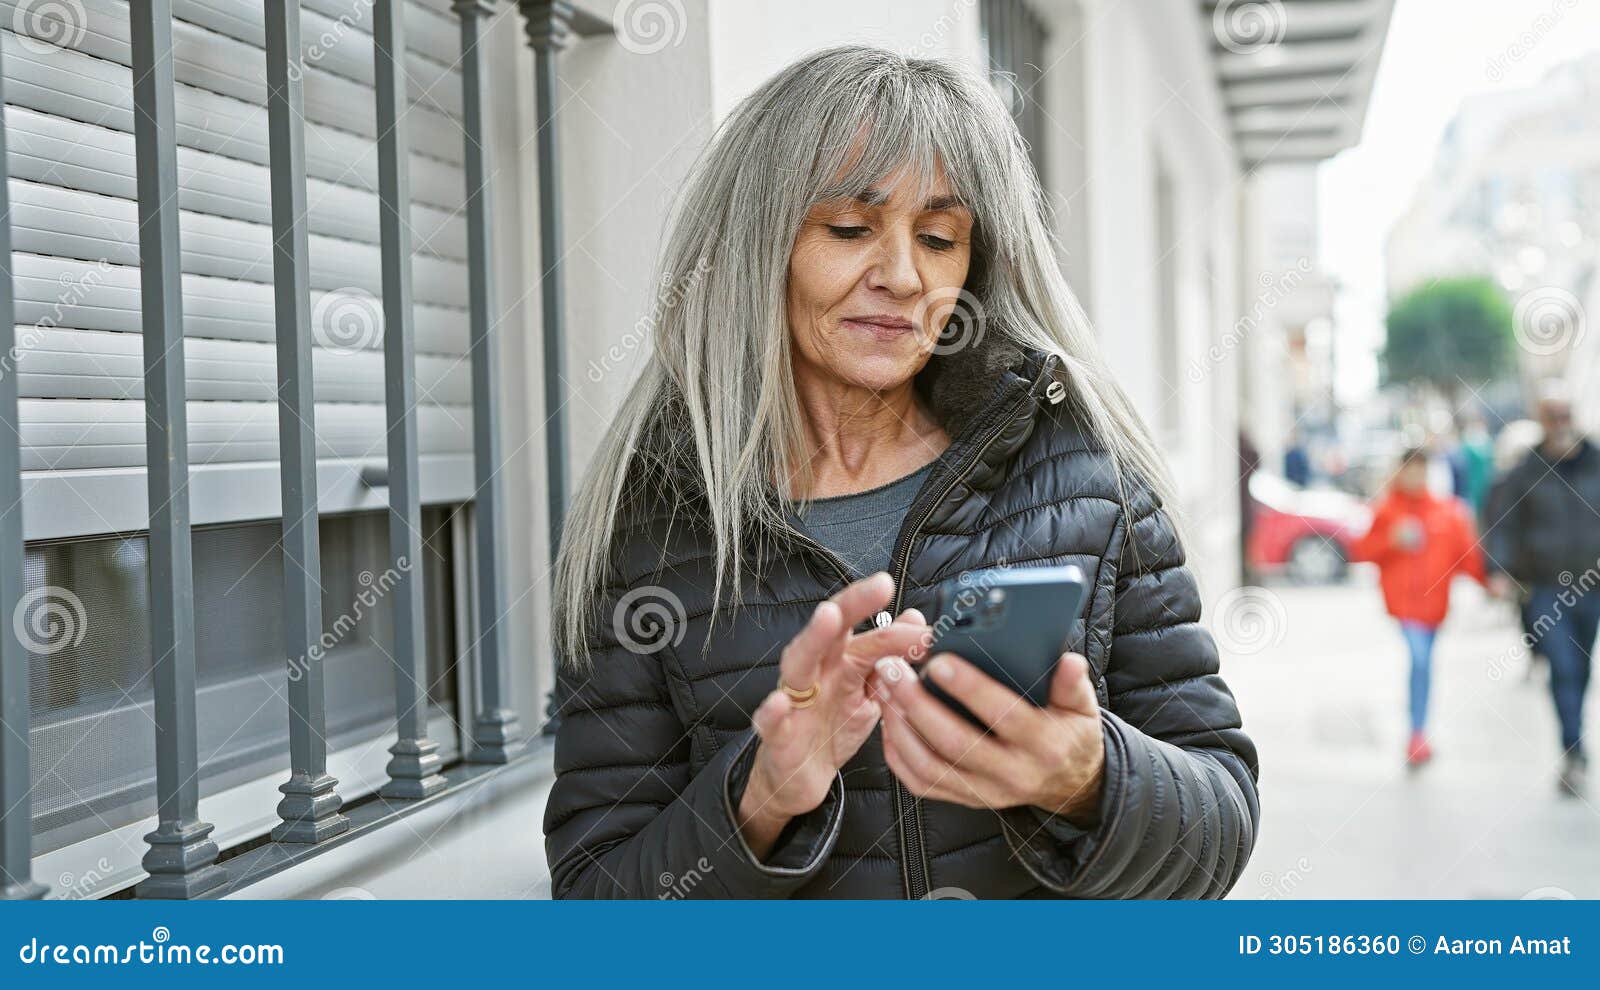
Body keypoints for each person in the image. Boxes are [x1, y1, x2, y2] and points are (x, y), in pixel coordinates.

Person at [541, 47, 1258, 899]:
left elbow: (1222, 826)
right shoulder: (654, 525)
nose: (903, 276)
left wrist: (1088, 777)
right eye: (849, 228)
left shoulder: (1081, 471)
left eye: (939, 238)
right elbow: (596, 904)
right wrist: (760, 798)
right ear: (753, 248)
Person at [1485, 382, 1600, 795]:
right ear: (1541, 420)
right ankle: (1573, 748)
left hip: (1592, 586)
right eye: (1552, 416)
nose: (1560, 424)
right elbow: (1502, 523)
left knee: (1582, 669)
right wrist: (1498, 570)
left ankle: (1575, 735)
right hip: (1546, 588)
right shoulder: (1526, 473)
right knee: (1563, 666)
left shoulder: (1596, 463)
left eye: (1565, 414)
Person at [1352, 448, 1486, 766]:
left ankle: (1419, 729)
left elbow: (1468, 558)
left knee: (1425, 664)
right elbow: (1363, 551)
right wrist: (1392, 541)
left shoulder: (1448, 512)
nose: (1415, 477)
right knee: (1420, 660)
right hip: (1403, 607)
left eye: (1421, 470)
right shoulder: (1387, 511)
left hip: (1436, 608)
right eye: (1409, 470)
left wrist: (1494, 582)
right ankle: (1416, 732)